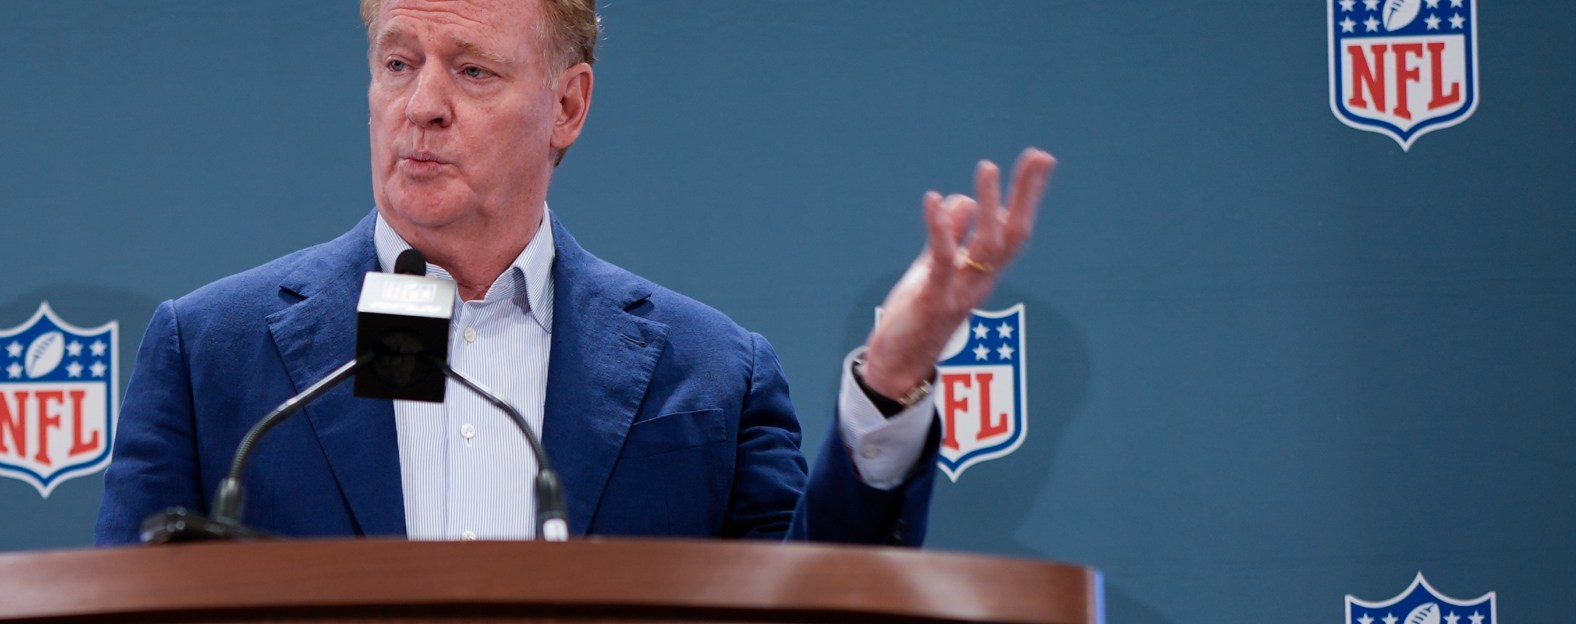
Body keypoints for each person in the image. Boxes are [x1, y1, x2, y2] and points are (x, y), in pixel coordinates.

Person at [94, 0, 1054, 547]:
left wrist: (891, 379)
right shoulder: (212, 355)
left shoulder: (710, 373)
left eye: (471, 71)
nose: (420, 106)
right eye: (398, 61)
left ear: (567, 105)